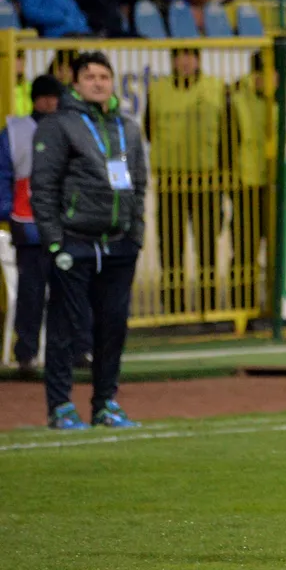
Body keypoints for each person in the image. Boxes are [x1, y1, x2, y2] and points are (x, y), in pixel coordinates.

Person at [31, 52, 147, 430]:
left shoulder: (128, 127)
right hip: (75, 241)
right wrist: (54, 241)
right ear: (76, 84)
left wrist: (135, 234)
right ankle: (61, 405)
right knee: (67, 326)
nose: (98, 82)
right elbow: (43, 188)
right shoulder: (57, 126)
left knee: (112, 326)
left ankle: (105, 403)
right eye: (90, 76)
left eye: (104, 76)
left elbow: (139, 184)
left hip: (118, 244)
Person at [0, 76, 86, 374]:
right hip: (29, 223)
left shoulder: (71, 128)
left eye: (55, 97)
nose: (51, 102)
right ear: (35, 99)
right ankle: (26, 354)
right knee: (31, 294)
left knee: (70, 292)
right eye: (46, 97)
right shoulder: (14, 130)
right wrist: (5, 211)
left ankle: (75, 351)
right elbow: (3, 173)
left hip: (66, 224)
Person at [146, 47, 227, 315]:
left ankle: (208, 306)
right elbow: (149, 127)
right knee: (170, 246)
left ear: (198, 59)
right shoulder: (157, 90)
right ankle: (173, 307)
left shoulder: (216, 88)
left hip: (207, 180)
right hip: (170, 181)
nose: (184, 61)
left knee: (207, 246)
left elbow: (228, 131)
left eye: (189, 55)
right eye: (179, 56)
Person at [226, 52, 277, 310]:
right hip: (245, 188)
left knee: (279, 253)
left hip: (279, 188)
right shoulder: (237, 101)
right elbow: (225, 145)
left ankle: (277, 308)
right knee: (244, 252)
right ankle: (242, 308)